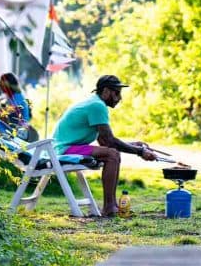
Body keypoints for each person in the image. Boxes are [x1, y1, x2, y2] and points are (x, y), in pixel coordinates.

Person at [52, 75, 168, 217]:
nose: (119, 98)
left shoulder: (95, 103)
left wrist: (133, 145)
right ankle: (109, 207)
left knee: (112, 153)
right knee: (112, 155)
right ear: (106, 91)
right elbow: (110, 142)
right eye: (117, 93)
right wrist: (140, 151)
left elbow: (104, 141)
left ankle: (111, 205)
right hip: (65, 149)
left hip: (69, 147)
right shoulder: (97, 106)